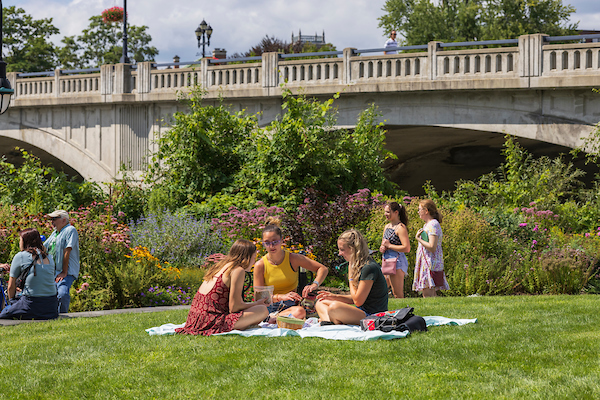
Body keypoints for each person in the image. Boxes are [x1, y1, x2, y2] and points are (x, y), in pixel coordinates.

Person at [176, 239, 269, 336]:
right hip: (211, 321)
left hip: (194, 320)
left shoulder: (221, 266)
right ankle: (244, 324)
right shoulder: (238, 270)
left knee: (257, 310)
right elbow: (234, 307)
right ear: (248, 257)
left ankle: (246, 323)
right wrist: (256, 303)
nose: (254, 262)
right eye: (254, 258)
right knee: (262, 310)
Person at [253, 218, 329, 320]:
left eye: (275, 242)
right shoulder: (260, 265)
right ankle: (272, 319)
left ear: (282, 240)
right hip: (269, 307)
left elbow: (322, 268)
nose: (271, 246)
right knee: (300, 312)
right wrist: (281, 297)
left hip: (291, 307)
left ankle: (272, 319)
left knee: (300, 311)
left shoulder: (293, 259)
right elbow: (259, 297)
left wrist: (315, 284)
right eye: (267, 243)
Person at [315, 229, 388, 325]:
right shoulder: (360, 265)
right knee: (320, 302)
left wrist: (351, 277)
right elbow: (356, 298)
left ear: (353, 248)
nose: (340, 253)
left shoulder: (369, 268)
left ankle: (331, 321)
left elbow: (358, 301)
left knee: (334, 307)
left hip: (372, 316)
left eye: (342, 249)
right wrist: (333, 296)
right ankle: (331, 322)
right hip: (361, 312)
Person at [0, 228, 58, 320]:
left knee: (4, 313)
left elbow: (11, 286)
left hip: (31, 304)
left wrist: (12, 302)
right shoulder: (49, 257)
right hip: (51, 307)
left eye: (20, 240)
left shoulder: (21, 256)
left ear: (25, 242)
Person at [43, 210, 80, 313]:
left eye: (54, 219)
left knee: (62, 294)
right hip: (54, 272)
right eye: (51, 219)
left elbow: (67, 251)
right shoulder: (55, 233)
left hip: (66, 271)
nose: (52, 222)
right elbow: (44, 248)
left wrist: (64, 272)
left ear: (64, 220)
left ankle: (62, 316)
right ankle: (52, 316)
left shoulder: (70, 230)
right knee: (50, 295)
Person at [413, 199, 450, 297]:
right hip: (427, 263)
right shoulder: (427, 225)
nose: (418, 212)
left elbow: (432, 247)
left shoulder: (433, 224)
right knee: (430, 295)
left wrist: (418, 238)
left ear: (426, 211)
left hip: (430, 264)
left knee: (428, 295)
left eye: (419, 209)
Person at [380, 201, 410, 298]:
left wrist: (389, 245)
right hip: (387, 260)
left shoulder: (401, 228)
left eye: (388, 212)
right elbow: (384, 243)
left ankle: (403, 312)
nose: (386, 214)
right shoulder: (387, 227)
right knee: (381, 289)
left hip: (397, 262)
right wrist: (383, 247)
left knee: (397, 293)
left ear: (396, 212)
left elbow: (406, 248)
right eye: (385, 212)